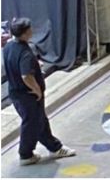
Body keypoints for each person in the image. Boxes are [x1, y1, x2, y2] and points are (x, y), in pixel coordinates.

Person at [3, 18, 77, 166]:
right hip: (27, 95)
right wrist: (36, 90)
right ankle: (25, 154)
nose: (32, 31)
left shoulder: (9, 46)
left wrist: (35, 64)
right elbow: (26, 76)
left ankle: (54, 147)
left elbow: (17, 65)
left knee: (39, 120)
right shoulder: (25, 53)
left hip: (15, 92)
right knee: (31, 123)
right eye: (29, 29)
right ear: (24, 34)